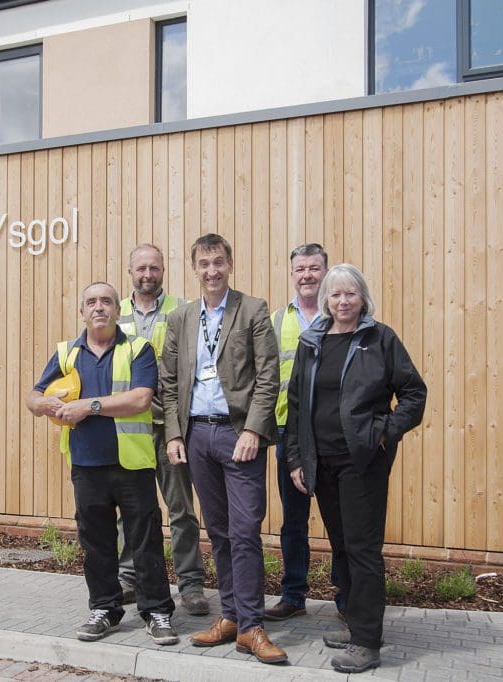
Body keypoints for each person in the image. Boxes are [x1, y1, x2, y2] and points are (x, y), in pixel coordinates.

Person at [284, 264, 426, 673]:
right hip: (321, 461)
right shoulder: (313, 343)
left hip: (362, 462)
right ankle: (355, 621)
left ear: (363, 298)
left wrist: (386, 432)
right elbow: (295, 407)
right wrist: (296, 458)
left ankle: (367, 641)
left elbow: (414, 393)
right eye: (335, 295)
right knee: (342, 545)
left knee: (363, 550)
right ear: (325, 301)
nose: (343, 302)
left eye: (351, 294)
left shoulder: (379, 338)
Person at [26, 282, 179, 646]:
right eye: (92, 302)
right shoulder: (66, 353)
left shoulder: (138, 348)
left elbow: (141, 398)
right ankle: (105, 609)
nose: (99, 308)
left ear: (117, 310)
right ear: (83, 312)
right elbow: (33, 398)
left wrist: (88, 406)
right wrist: (46, 405)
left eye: (106, 301)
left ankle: (157, 611)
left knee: (145, 541)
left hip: (133, 464)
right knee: (95, 543)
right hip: (86, 463)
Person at [159, 233, 287, 665]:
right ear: (193, 268)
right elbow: (170, 384)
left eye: (218, 262)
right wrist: (174, 435)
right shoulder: (180, 319)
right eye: (204, 263)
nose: (212, 270)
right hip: (197, 436)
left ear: (229, 264)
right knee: (218, 531)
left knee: (246, 530)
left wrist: (254, 429)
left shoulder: (252, 309)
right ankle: (231, 616)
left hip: (238, 436)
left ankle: (252, 627)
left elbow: (268, 376)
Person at [116, 244, 210, 616]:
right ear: (130, 271)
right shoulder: (114, 312)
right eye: (141, 268)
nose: (147, 275)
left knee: (181, 510)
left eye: (154, 268)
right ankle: (129, 578)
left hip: (171, 427)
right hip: (128, 429)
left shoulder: (183, 311)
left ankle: (190, 585)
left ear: (163, 271)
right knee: (130, 510)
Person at [264, 243, 329, 622]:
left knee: (341, 519)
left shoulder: (340, 311)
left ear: (325, 270)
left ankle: (346, 596)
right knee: (293, 519)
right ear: (292, 274)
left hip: (332, 431)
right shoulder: (277, 320)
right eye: (300, 269)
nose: (306, 275)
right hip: (289, 432)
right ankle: (293, 595)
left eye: (314, 268)